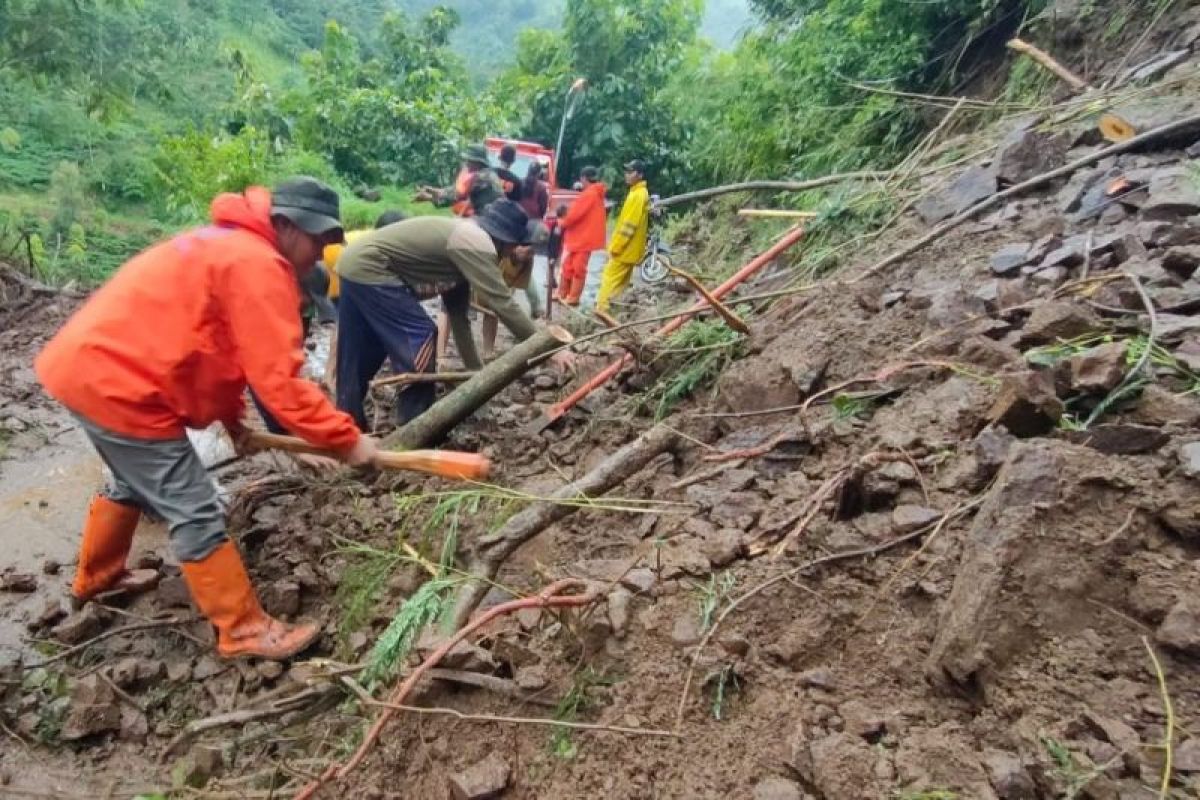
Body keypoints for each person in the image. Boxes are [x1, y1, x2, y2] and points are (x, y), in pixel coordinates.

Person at [35, 177, 379, 661]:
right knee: (192, 505)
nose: (321, 253)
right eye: (318, 240)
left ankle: (99, 576)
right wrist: (347, 440)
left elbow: (215, 353)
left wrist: (232, 421)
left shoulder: (230, 247)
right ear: (283, 225)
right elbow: (279, 382)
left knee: (136, 479)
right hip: (120, 384)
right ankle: (241, 630)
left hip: (91, 369)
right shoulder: (258, 264)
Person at [333, 200, 574, 431]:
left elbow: (460, 322)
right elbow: (503, 303)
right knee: (422, 334)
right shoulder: (476, 243)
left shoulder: (460, 250)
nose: (514, 251)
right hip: (372, 269)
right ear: (504, 240)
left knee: (366, 348)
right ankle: (413, 422)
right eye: (514, 245)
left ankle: (347, 422)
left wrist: (477, 379)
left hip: (355, 265)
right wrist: (550, 347)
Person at [596, 160, 651, 315]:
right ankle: (613, 310)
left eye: (631, 172)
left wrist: (616, 247)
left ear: (640, 175)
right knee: (620, 283)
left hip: (624, 250)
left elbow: (629, 226)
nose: (627, 175)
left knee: (609, 278)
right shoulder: (639, 193)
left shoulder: (637, 195)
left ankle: (602, 310)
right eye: (626, 171)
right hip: (631, 250)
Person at [554, 166, 607, 306]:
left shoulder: (589, 194)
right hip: (581, 238)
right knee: (568, 266)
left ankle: (573, 297)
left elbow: (574, 215)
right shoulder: (594, 193)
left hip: (583, 239)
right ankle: (563, 293)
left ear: (584, 178)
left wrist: (562, 223)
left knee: (577, 268)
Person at [415, 145, 501, 217]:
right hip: (487, 217)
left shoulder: (481, 177)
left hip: (488, 220)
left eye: (469, 160)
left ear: (477, 162)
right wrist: (432, 193)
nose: (466, 163)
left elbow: (455, 195)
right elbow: (457, 190)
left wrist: (430, 194)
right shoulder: (486, 173)